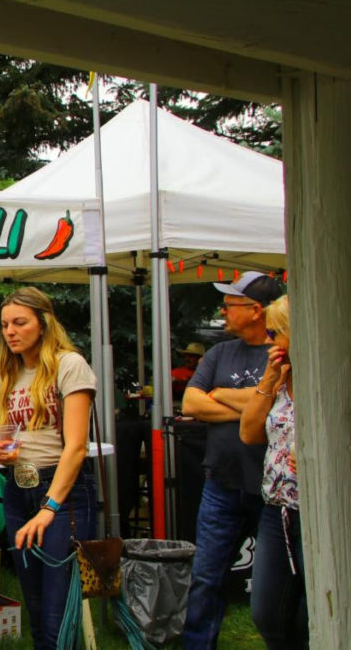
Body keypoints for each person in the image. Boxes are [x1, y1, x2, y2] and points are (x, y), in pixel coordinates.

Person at [0, 287, 96, 650]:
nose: (10, 332)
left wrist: (49, 508)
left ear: (44, 324)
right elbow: (9, 435)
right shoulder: (9, 373)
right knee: (36, 609)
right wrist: (0, 453)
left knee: (57, 617)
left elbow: (76, 448)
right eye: (5, 325)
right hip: (18, 491)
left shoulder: (69, 365)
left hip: (61, 495)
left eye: (20, 323)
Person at [181, 270, 282, 649]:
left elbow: (279, 410)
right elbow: (191, 403)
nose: (223, 310)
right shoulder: (219, 352)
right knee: (207, 576)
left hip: (270, 490)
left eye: (230, 304)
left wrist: (222, 395)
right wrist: (256, 406)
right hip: (221, 484)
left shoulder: (282, 351)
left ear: (255, 310)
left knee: (284, 581)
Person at [239, 295, 307, 649]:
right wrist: (269, 378)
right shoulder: (281, 379)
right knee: (267, 611)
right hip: (276, 510)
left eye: (275, 333)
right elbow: (248, 433)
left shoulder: (324, 380)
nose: (268, 340)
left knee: (311, 611)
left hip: (316, 511)